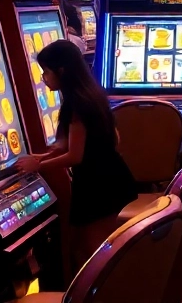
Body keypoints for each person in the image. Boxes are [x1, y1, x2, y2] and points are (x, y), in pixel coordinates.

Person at [15, 40, 136, 268]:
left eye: (46, 72)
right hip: (105, 176)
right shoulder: (89, 94)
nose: (44, 78)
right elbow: (76, 143)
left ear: (62, 71)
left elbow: (75, 156)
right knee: (82, 249)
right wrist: (41, 157)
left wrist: (38, 166)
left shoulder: (78, 104)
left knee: (95, 253)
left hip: (100, 184)